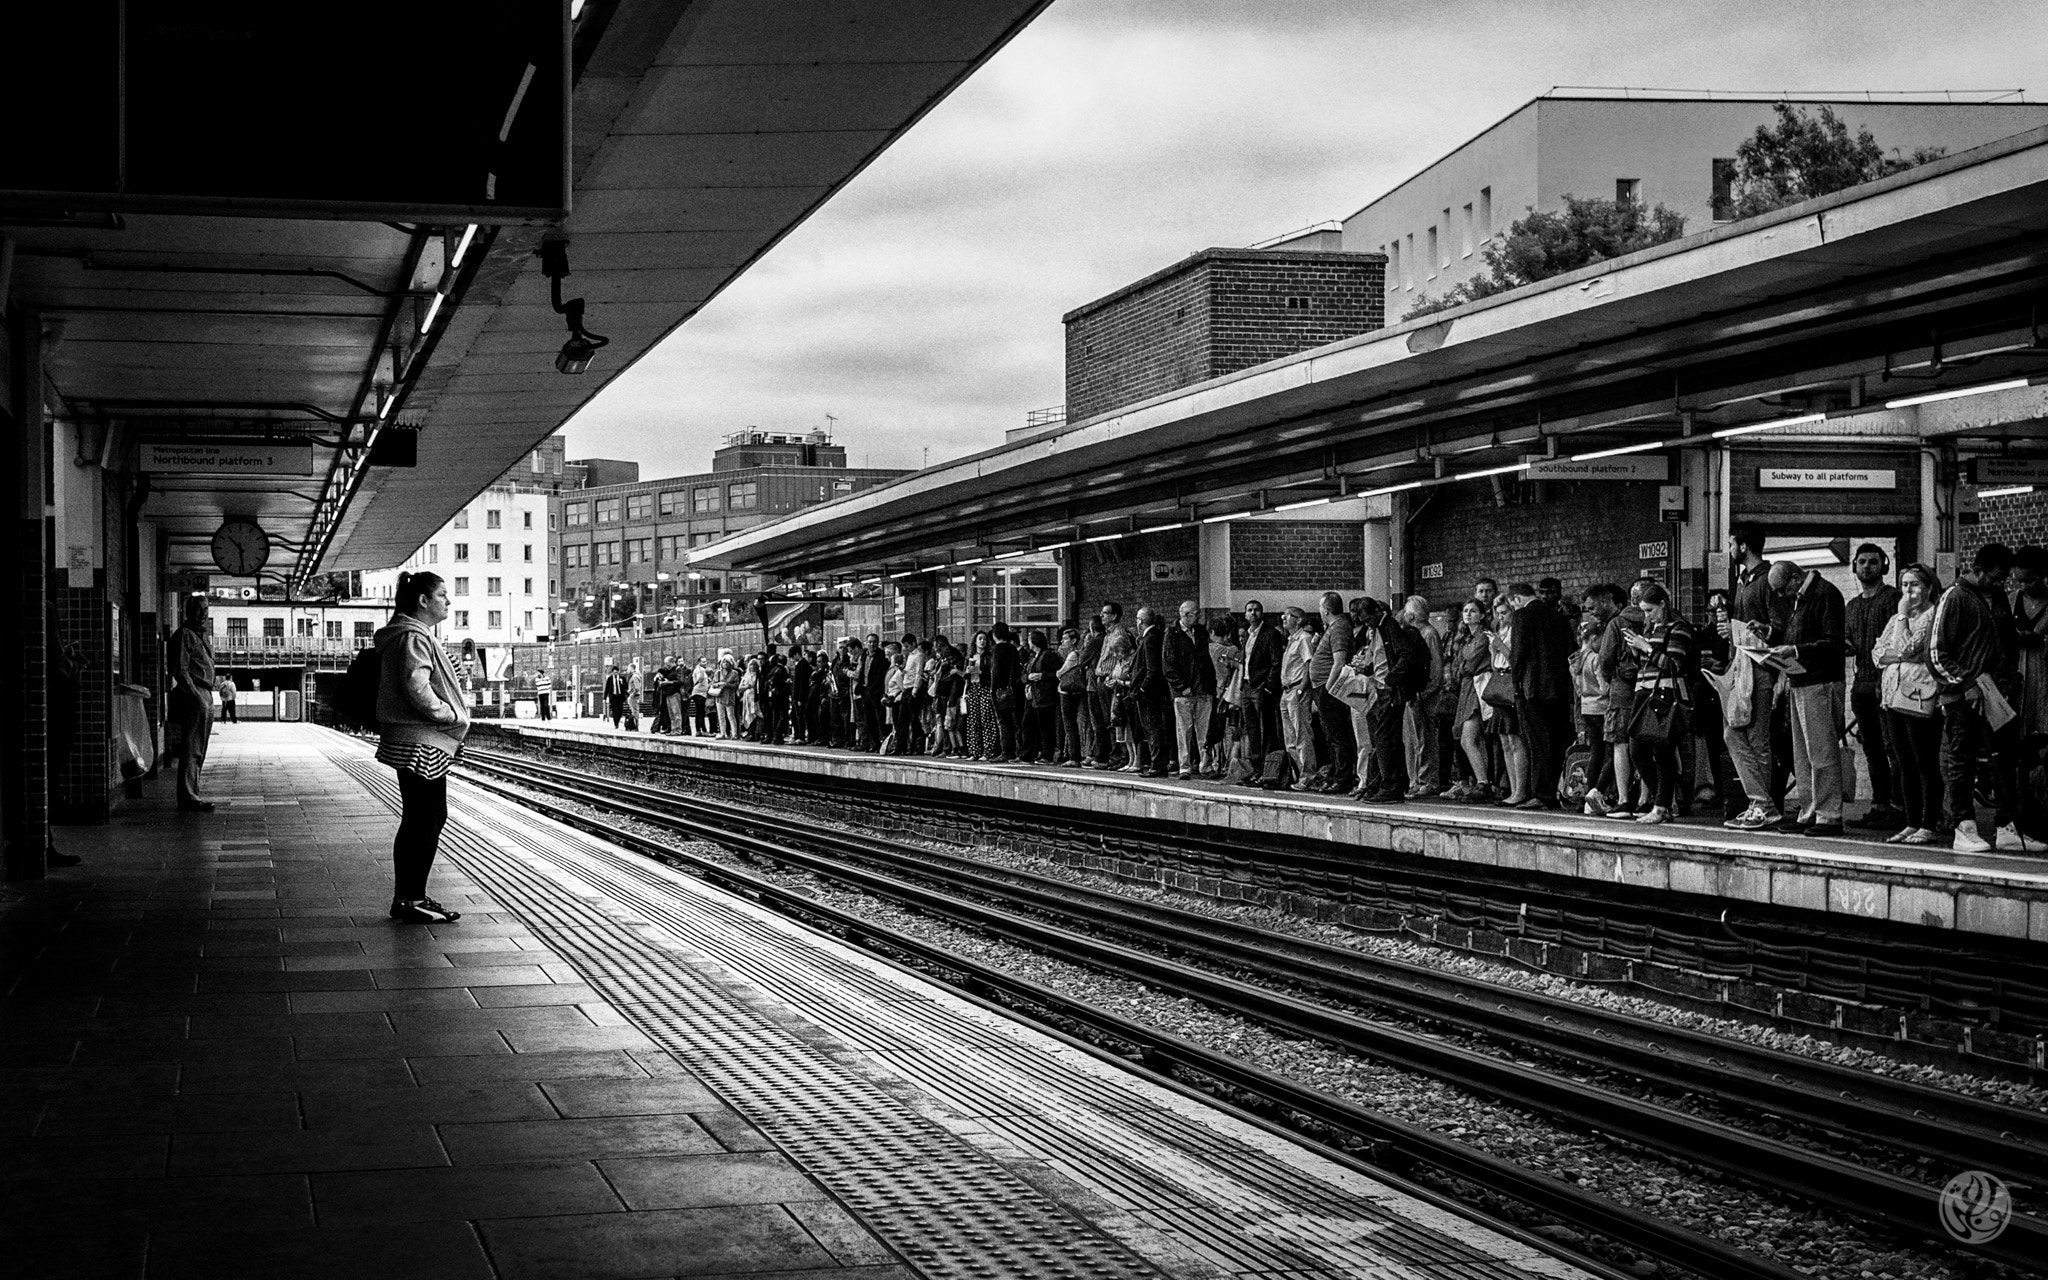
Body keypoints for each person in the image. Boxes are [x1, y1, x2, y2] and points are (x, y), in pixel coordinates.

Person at [373, 571, 470, 923]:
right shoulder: (414, 635)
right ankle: (410, 898)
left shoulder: (408, 634)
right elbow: (417, 687)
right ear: (423, 601)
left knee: (419, 817)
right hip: (422, 739)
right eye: (443, 595)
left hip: (413, 738)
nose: (448, 601)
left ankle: (408, 896)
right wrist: (447, 714)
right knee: (427, 816)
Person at [1929, 543, 2023, 852]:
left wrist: (2008, 678)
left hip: (1994, 690)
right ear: (1978, 570)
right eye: (1996, 577)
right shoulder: (1954, 598)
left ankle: (2007, 825)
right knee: (1963, 756)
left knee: (2005, 757)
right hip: (1963, 695)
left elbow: (2007, 641)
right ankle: (1963, 825)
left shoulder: (1996, 598)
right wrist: (1964, 683)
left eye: (2003, 578)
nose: (2001, 583)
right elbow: (1936, 653)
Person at [1768, 558, 1847, 837]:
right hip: (1801, 680)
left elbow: (1834, 643)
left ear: (1795, 578)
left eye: (1781, 589)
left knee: (1821, 751)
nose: (1780, 596)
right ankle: (1808, 810)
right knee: (1802, 753)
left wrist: (1796, 651)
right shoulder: (1800, 598)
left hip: (1821, 681)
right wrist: (1770, 636)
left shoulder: (1825, 594)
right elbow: (1797, 634)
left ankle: (1829, 815)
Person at [1722, 523, 1789, 831]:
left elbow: (1780, 625)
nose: (1730, 550)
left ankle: (1762, 806)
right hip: (1742, 664)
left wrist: (1761, 630)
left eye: (1732, 544)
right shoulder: (1744, 580)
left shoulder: (1767, 580)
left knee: (1757, 739)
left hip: (1761, 667)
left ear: (1744, 547)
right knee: (1734, 733)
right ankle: (1761, 802)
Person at [1873, 563, 1946, 846]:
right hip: (1893, 695)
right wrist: (1901, 654)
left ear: (1929, 587)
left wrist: (1902, 624)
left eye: (1914, 585)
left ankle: (1928, 823)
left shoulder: (1931, 616)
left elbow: (1908, 649)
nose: (1908, 591)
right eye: (1904, 585)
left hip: (1920, 694)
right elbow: (1878, 653)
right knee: (1904, 762)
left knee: (1924, 760)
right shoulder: (1896, 618)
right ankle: (1911, 821)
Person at [1843, 544, 1905, 832]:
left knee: (1893, 747)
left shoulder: (1894, 599)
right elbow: (1850, 642)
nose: (1867, 567)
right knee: (1872, 749)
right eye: (1862, 562)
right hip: (1861, 686)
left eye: (1873, 562)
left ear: (1884, 566)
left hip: (1888, 685)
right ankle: (1880, 805)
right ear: (1854, 566)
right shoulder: (1852, 606)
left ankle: (1899, 806)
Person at [1622, 583, 1695, 825]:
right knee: (1637, 750)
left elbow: (1674, 665)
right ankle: (1663, 799)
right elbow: (1644, 663)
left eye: (1650, 610)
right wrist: (1636, 650)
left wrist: (1647, 647)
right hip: (1644, 691)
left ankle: (1662, 804)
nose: (1646, 616)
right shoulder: (1651, 627)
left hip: (1664, 693)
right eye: (1643, 611)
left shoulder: (1678, 627)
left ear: (1663, 604)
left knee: (1662, 749)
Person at [1508, 581, 1574, 810]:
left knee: (1535, 742)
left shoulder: (1522, 615)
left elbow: (1518, 653)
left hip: (1532, 688)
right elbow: (1570, 649)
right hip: (1559, 689)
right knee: (1556, 741)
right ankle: (1554, 790)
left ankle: (1540, 794)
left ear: (1516, 599)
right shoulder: (1558, 616)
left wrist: (1515, 683)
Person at [167, 595, 218, 813]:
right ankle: (188, 796)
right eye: (198, 609)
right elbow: (180, 669)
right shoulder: (185, 636)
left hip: (204, 694)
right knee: (192, 748)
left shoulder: (201, 637)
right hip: (195, 695)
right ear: (188, 611)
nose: (203, 613)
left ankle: (192, 793)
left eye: (206, 609)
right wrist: (196, 694)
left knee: (199, 749)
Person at [1444, 600, 1495, 801]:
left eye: (1473, 611)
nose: (1468, 614)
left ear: (1482, 615)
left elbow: (1469, 666)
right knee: (1475, 739)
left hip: (1477, 687)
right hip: (1467, 688)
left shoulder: (1483, 637)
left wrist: (1462, 667)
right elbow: (1459, 664)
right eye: (1466, 611)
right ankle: (1482, 781)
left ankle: (1483, 782)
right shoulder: (1466, 639)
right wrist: (1462, 667)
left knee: (1468, 738)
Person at [1310, 591, 1356, 793]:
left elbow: (1339, 662)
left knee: (1338, 735)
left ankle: (1343, 777)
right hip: (1322, 686)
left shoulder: (1339, 628)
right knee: (1330, 734)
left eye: (1321, 608)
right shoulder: (1332, 628)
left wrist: (1329, 688)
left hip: (1329, 688)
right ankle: (1335, 772)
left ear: (1326, 609)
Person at [1400, 597, 1447, 796]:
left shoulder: (1429, 635)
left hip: (1425, 696)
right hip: (1414, 694)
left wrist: (1426, 691)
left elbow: (1435, 668)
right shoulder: (1415, 634)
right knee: (1413, 740)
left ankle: (1428, 779)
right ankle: (1416, 778)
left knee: (1426, 738)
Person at [1165, 600, 1216, 781]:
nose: (1197, 617)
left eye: (1195, 614)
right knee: (1184, 730)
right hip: (1184, 692)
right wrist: (1182, 687)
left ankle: (1205, 764)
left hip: (1203, 689)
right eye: (1193, 614)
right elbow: (1168, 665)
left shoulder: (1201, 632)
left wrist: (1210, 685)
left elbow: (1206, 661)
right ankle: (1184, 766)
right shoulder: (1172, 634)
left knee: (1204, 731)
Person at [1488, 598, 1530, 805]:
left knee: (1515, 739)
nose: (1501, 617)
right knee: (1504, 740)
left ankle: (1520, 790)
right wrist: (1494, 649)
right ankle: (1513, 789)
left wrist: (1500, 646)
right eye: (1498, 613)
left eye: (1504, 612)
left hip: (1511, 681)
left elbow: (1514, 658)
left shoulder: (1517, 632)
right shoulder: (1500, 632)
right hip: (1499, 680)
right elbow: (1494, 664)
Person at [1240, 599, 1284, 771]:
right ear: (1245, 614)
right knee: (1251, 727)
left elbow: (1276, 662)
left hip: (1261, 686)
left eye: (1257, 610)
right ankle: (1256, 766)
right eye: (1249, 610)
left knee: (1265, 728)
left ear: (1262, 613)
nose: (1253, 613)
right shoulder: (1248, 634)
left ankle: (1267, 767)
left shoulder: (1270, 633)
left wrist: (1268, 686)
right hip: (1246, 685)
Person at [1279, 607, 1320, 784]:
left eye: (1287, 615)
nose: (1283, 618)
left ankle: (1307, 774)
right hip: (1286, 690)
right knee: (1289, 736)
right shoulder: (1291, 639)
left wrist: (1302, 689)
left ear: (1298, 620)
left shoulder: (1304, 639)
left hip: (1296, 689)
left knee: (1301, 733)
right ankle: (1294, 772)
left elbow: (1308, 665)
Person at [1131, 607, 1172, 777]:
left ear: (1140, 621)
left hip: (1149, 693)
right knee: (1154, 727)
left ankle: (1157, 765)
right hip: (1155, 692)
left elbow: (1152, 669)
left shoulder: (1150, 639)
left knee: (1152, 727)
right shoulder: (1157, 635)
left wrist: (1142, 688)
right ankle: (1157, 763)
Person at [1207, 614, 1242, 779]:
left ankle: (1215, 763)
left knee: (1215, 731)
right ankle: (1228, 765)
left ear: (1212, 632)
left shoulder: (1209, 649)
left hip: (1214, 694)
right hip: (1230, 695)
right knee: (1230, 731)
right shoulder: (1233, 650)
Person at [1019, 628, 1060, 763]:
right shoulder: (1032, 657)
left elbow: (1057, 674)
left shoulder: (1048, 655)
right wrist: (1028, 678)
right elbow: (1024, 674)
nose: (1028, 643)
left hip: (1045, 696)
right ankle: (1027, 753)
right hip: (1032, 696)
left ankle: (1047, 754)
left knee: (1045, 726)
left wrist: (1042, 676)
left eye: (1029, 640)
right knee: (1027, 723)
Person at [1055, 626, 1089, 765]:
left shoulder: (1073, 655)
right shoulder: (1072, 654)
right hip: (1069, 691)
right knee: (1069, 724)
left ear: (1074, 640)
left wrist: (1059, 672)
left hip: (1068, 692)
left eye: (1065, 639)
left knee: (1069, 724)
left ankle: (1074, 756)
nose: (1062, 642)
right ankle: (1071, 754)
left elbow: (1060, 672)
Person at [963, 630, 999, 760]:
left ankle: (988, 751)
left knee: (986, 719)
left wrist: (980, 672)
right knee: (973, 720)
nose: (982, 641)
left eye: (984, 639)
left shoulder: (989, 656)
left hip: (984, 687)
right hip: (972, 688)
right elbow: (965, 676)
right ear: (975, 641)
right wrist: (967, 672)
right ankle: (974, 751)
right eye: (980, 639)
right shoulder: (970, 657)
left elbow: (992, 674)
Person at [603, 663, 630, 729]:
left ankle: (618, 719)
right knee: (615, 710)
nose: (615, 674)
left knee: (620, 710)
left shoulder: (622, 678)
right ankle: (616, 723)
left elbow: (626, 687)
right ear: (612, 672)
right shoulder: (610, 679)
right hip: (613, 696)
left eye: (617, 672)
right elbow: (607, 688)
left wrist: (622, 683)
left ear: (618, 672)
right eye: (614, 672)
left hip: (620, 696)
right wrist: (604, 697)